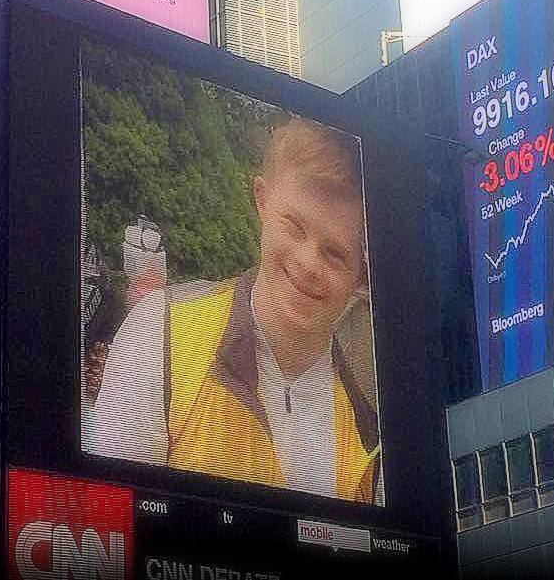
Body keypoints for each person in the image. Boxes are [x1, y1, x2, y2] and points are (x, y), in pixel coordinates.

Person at [90, 117, 382, 504]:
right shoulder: (158, 335)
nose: (308, 263)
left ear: (360, 276)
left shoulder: (371, 430)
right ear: (262, 200)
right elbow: (106, 529)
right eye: (294, 227)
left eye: (334, 253)